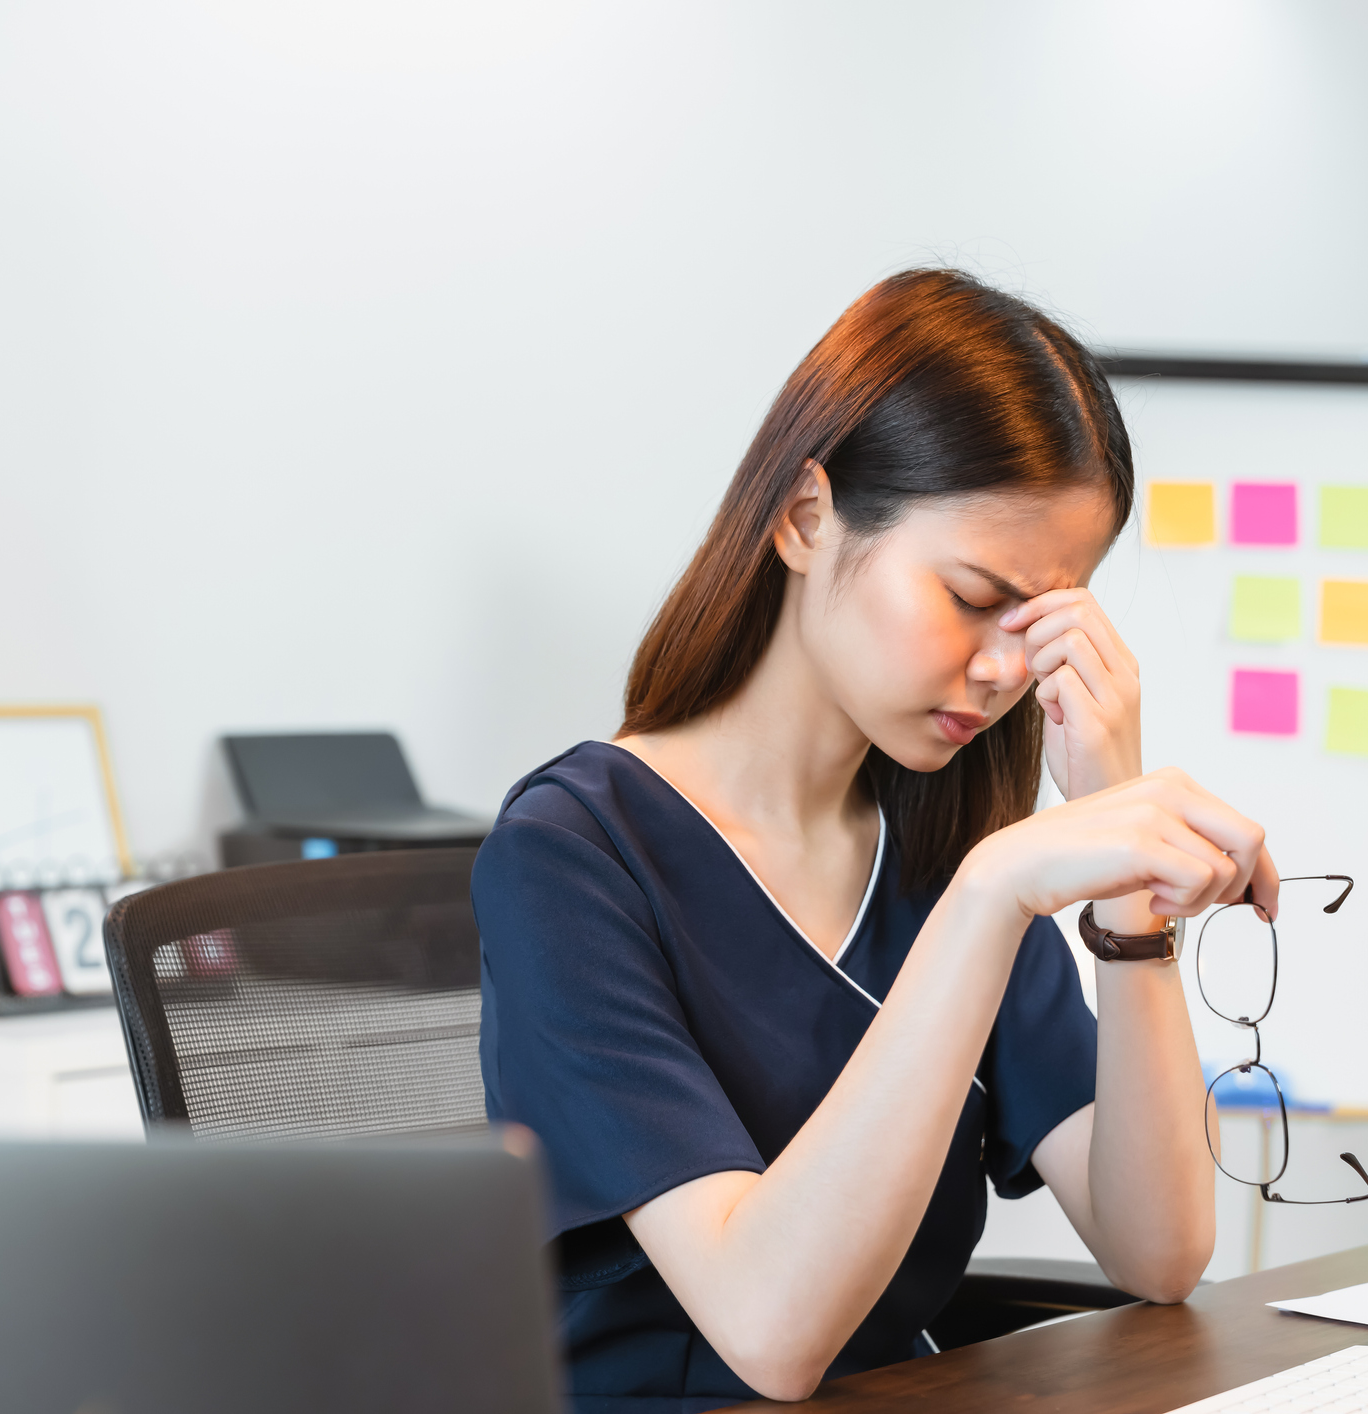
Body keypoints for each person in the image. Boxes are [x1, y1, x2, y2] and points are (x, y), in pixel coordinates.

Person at [473, 269, 1280, 1412]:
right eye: (970, 595)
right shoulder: (573, 856)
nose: (1006, 670)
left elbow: (1157, 1253)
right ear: (807, 518)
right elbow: (770, 1332)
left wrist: (1125, 879)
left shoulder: (937, 850)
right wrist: (993, 892)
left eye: (1042, 622)